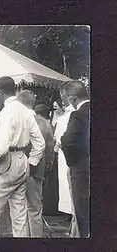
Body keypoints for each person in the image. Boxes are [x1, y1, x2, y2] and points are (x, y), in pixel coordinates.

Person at [0, 76, 45, 238]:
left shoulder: (6, 112)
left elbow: (1, 146)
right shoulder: (26, 111)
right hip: (23, 161)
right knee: (19, 215)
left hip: (7, 162)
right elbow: (40, 143)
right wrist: (32, 161)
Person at [17, 90, 54, 238]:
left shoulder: (16, 119)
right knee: (35, 208)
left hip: (15, 169)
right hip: (36, 171)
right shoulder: (44, 123)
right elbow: (50, 150)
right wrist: (47, 166)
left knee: (18, 209)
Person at [61, 81, 90, 238]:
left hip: (81, 167)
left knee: (81, 209)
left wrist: (71, 161)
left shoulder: (78, 114)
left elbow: (68, 140)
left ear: (72, 98)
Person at [54, 86, 77, 232]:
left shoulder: (71, 114)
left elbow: (63, 136)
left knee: (68, 182)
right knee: (65, 182)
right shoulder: (67, 114)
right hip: (64, 152)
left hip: (67, 151)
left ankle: (72, 214)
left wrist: (58, 145)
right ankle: (69, 212)